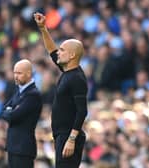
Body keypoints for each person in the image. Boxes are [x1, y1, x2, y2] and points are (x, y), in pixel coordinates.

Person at [34, 12, 88, 168]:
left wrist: (71, 139)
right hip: (61, 135)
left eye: (62, 50)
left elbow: (82, 111)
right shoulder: (68, 71)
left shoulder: (77, 78)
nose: (59, 51)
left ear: (71, 55)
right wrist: (43, 28)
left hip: (69, 136)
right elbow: (52, 51)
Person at [1, 59, 43, 168]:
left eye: (19, 73)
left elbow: (12, 116)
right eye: (15, 72)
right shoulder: (19, 91)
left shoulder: (33, 94)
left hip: (23, 148)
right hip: (14, 146)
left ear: (29, 73)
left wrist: (10, 111)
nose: (15, 76)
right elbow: (4, 110)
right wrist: (10, 111)